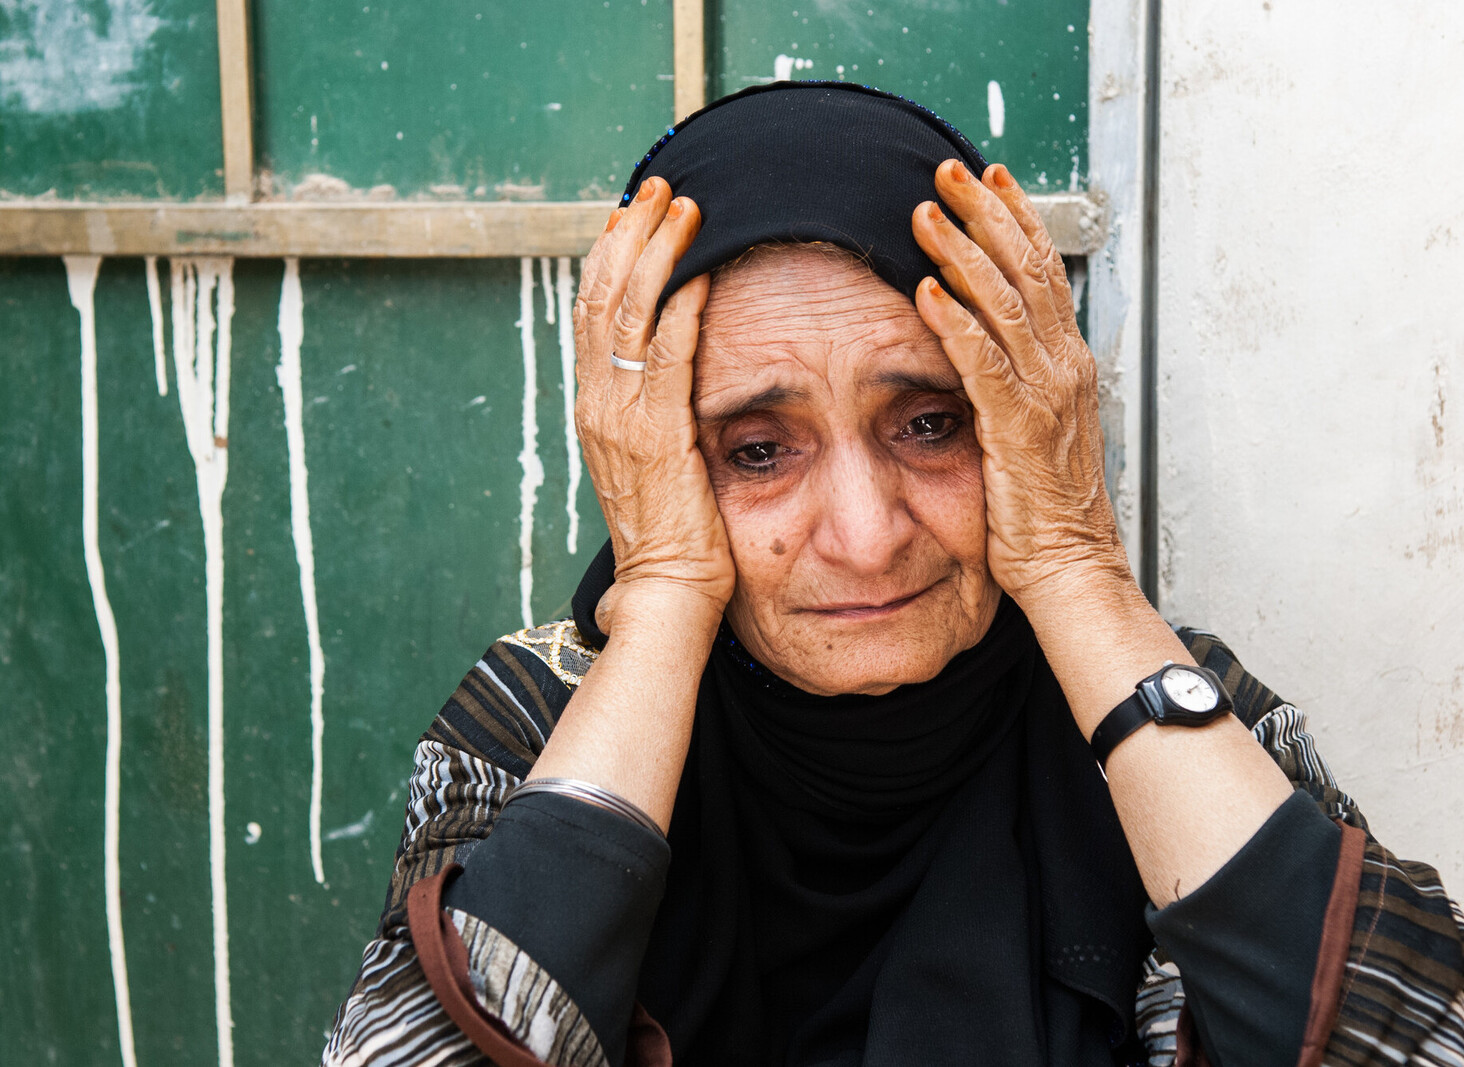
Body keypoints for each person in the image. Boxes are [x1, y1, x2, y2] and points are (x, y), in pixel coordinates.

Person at [322, 83, 1464, 1067]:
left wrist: (1073, 565)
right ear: (648, 454)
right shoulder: (544, 711)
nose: (866, 537)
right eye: (755, 450)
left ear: (1023, 421)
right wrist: (665, 591)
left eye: (929, 422)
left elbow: (1411, 1036)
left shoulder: (1151, 705)